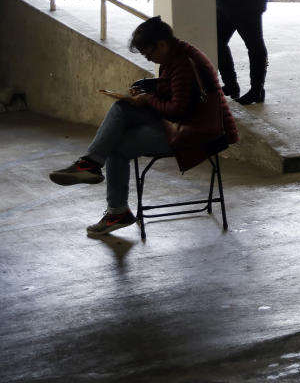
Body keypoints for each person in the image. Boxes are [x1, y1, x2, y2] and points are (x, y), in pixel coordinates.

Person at [48, 16, 239, 236]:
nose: (149, 59)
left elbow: (178, 110)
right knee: (122, 108)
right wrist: (146, 90)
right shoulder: (174, 57)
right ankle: (90, 166)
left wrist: (148, 100)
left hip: (195, 133)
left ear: (162, 44)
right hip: (182, 123)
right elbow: (176, 94)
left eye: (149, 54)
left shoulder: (183, 63)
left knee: (117, 146)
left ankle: (114, 207)